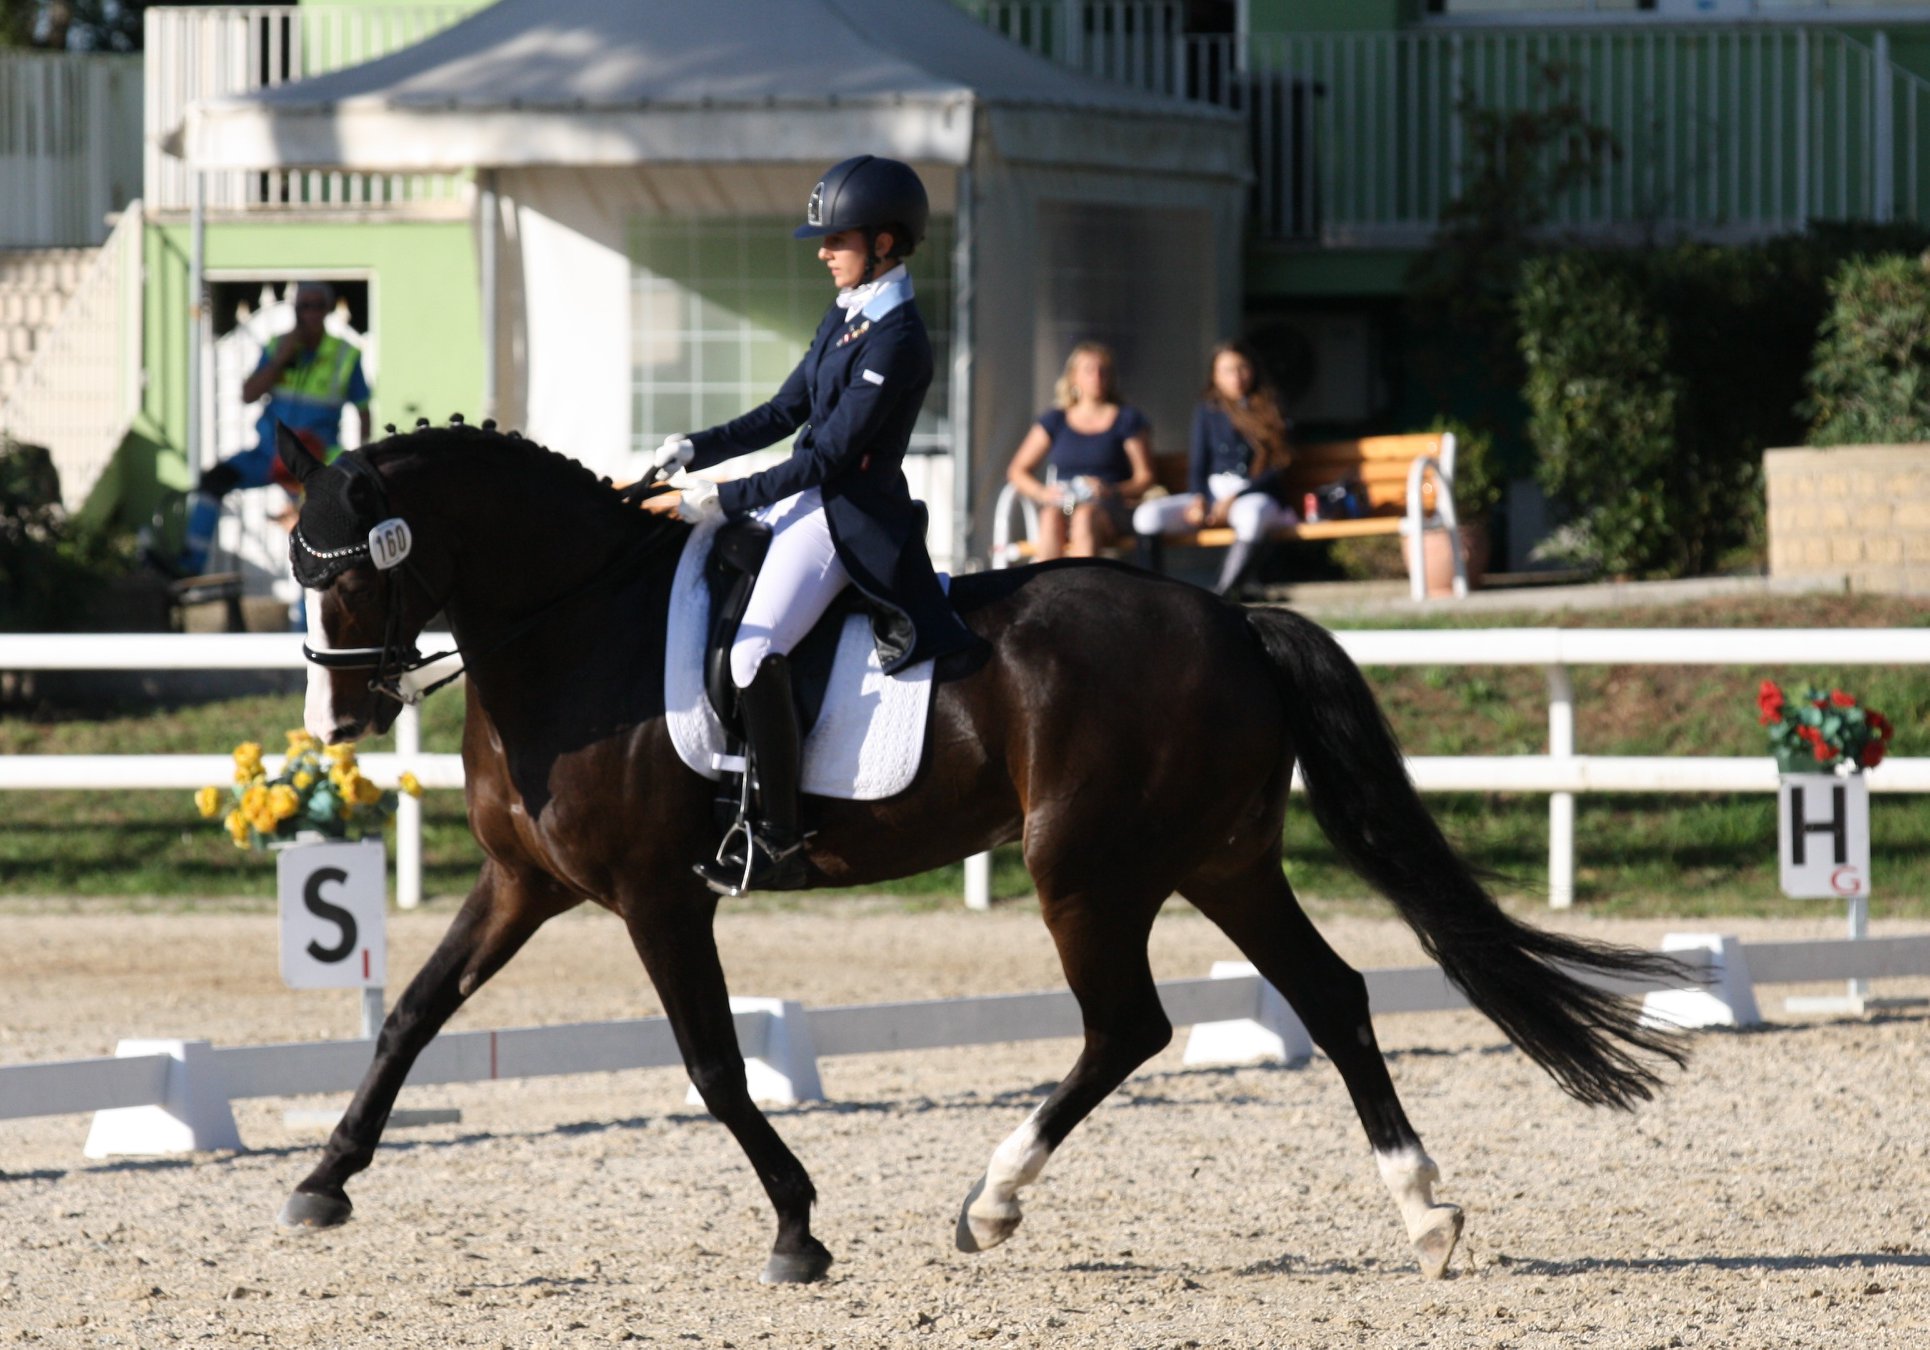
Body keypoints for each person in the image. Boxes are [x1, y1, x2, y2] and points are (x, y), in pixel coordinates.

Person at [640, 155, 979, 895]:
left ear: (885, 243)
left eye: (838, 239)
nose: (823, 252)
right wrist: (698, 446)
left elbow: (829, 455)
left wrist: (723, 498)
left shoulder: (897, 339)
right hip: (802, 498)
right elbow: (784, 412)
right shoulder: (850, 312)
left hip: (844, 517)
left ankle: (779, 836)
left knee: (751, 658)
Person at [171, 282, 372, 577]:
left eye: (317, 306)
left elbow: (363, 409)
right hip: (269, 453)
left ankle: (307, 615)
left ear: (328, 310)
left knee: (312, 533)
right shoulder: (279, 345)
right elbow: (248, 393)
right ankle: (189, 565)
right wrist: (281, 359)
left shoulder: (345, 353)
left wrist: (358, 457)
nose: (310, 313)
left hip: (313, 460)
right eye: (303, 306)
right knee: (214, 481)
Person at [1132, 340, 1296, 596]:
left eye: (1242, 368)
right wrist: (1198, 499)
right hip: (1213, 497)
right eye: (1228, 370)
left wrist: (1235, 498)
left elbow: (1278, 468)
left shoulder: (1272, 408)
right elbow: (1199, 464)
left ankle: (1222, 596)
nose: (1237, 377)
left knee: (1251, 518)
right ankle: (1154, 596)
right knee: (1147, 516)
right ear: (1215, 376)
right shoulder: (1207, 411)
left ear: (1253, 369)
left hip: (1256, 497)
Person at [1005, 342, 1155, 560]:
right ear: (1073, 376)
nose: (1097, 376)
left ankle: (1082, 589)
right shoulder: (1055, 420)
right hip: (1065, 504)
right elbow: (1017, 470)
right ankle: (1048, 588)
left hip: (1109, 508)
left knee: (1086, 516)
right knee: (1049, 516)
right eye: (1089, 370)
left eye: (1103, 370)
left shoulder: (1126, 419)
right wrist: (1043, 493)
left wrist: (1110, 489)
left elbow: (1145, 477)